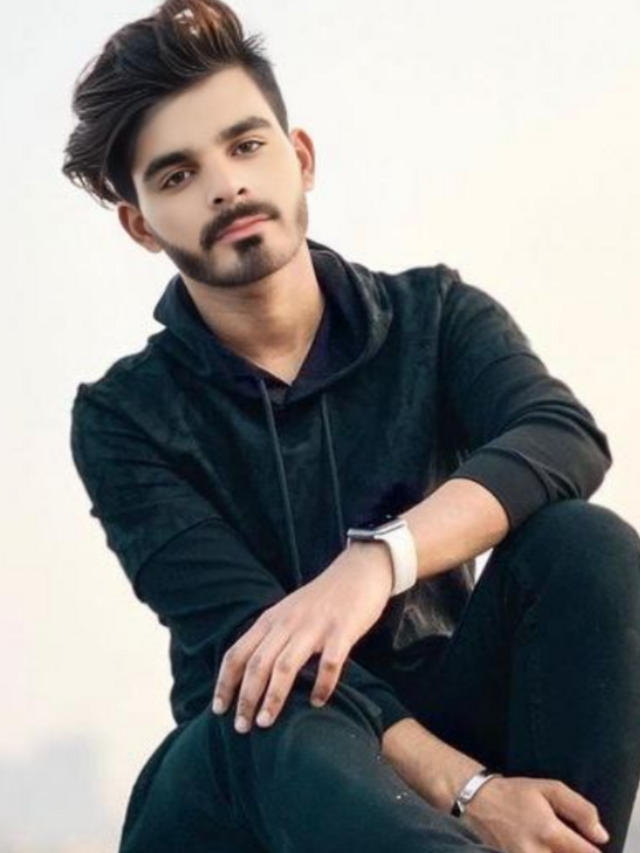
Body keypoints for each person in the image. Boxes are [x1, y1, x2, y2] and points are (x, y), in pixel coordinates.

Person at [61, 1, 640, 851]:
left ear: (300, 158)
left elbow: (560, 435)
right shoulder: (124, 417)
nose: (226, 185)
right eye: (178, 175)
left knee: (583, 545)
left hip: (441, 713)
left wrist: (378, 560)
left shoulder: (432, 316)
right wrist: (470, 790)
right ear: (141, 223)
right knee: (261, 702)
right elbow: (257, 649)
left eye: (245, 145)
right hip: (255, 789)